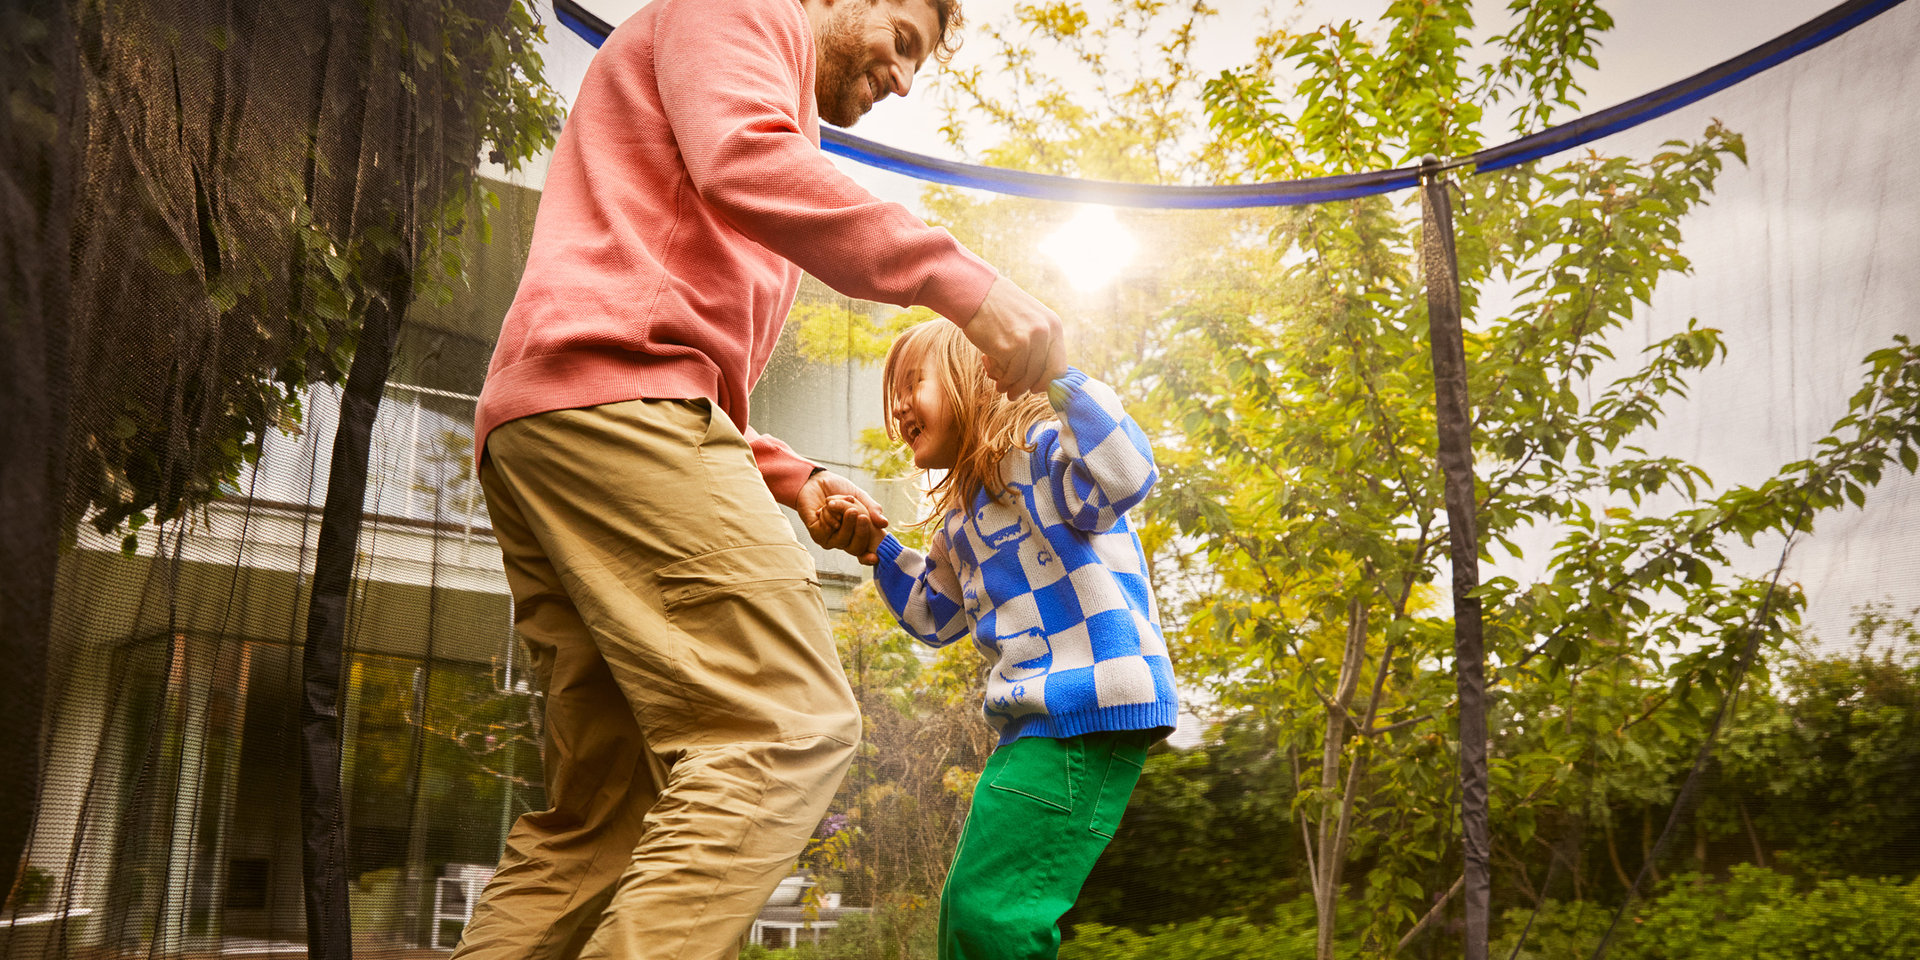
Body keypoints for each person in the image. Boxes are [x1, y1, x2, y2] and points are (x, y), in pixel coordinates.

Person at [452, 0, 1067, 955]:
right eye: (901, 40)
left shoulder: (764, 95)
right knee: (787, 727)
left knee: (602, 821)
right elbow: (744, 168)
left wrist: (791, 476)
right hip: (616, 411)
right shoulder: (743, 10)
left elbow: (680, 351)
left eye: (920, 66)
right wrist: (965, 284)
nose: (904, 79)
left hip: (556, 425)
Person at [824, 319, 1180, 960]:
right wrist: (875, 549)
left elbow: (1122, 478)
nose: (899, 405)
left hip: (1086, 705)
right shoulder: (960, 515)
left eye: (913, 383)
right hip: (1037, 722)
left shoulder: (1042, 450)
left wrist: (1060, 380)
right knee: (971, 910)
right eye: (892, 394)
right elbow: (935, 615)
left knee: (993, 914)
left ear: (971, 379)